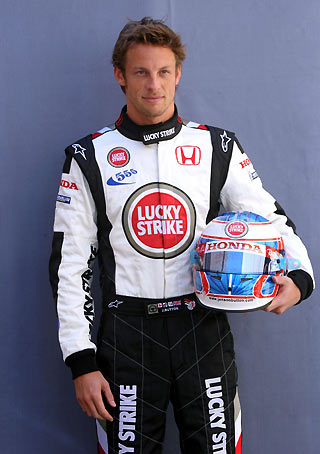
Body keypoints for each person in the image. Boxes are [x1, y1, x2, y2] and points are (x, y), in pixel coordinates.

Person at [49, 17, 314, 454]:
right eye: (141, 72)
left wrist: (301, 279)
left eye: (164, 71)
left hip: (202, 326)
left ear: (178, 75)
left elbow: (272, 219)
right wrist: (81, 360)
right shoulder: (88, 157)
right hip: (127, 336)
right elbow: (70, 265)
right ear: (120, 75)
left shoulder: (217, 147)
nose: (154, 84)